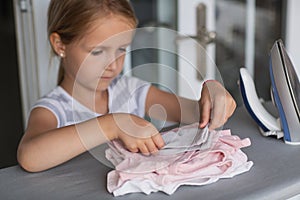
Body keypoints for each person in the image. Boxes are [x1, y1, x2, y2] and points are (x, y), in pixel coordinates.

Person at [17, 0, 236, 172]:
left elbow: (198, 114)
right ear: (60, 45)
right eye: (97, 52)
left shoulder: (131, 91)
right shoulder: (53, 109)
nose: (113, 65)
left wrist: (212, 90)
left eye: (121, 49)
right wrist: (112, 125)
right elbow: (29, 157)